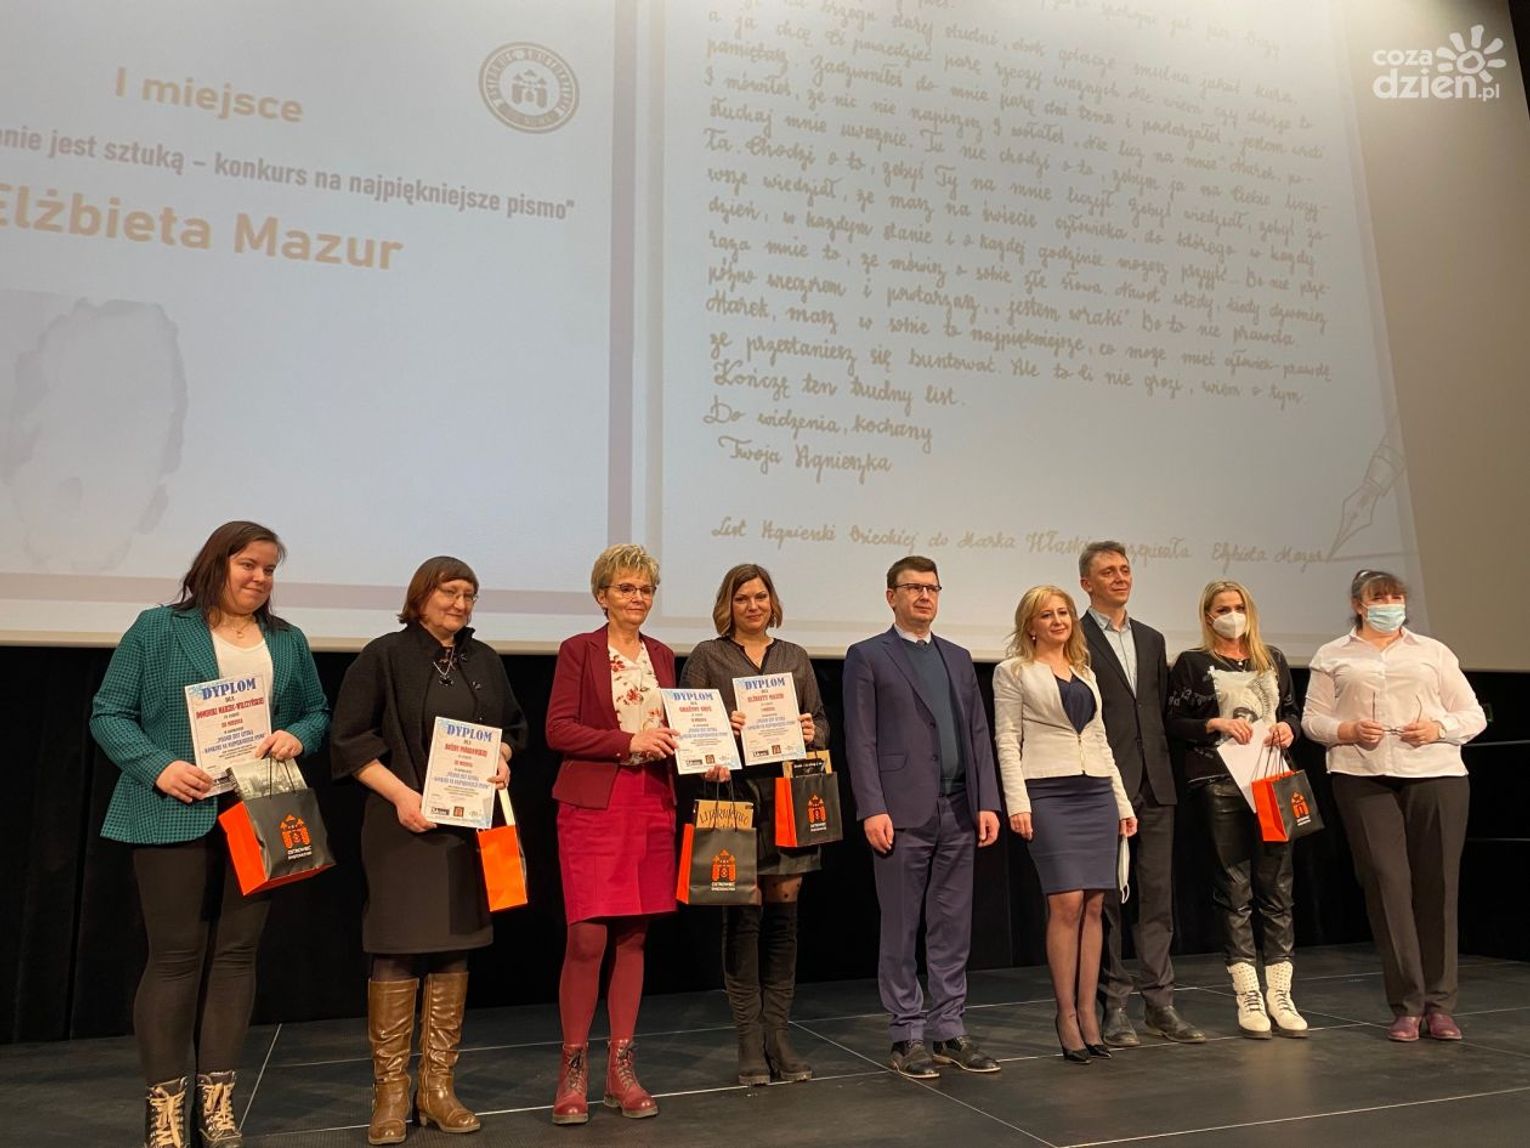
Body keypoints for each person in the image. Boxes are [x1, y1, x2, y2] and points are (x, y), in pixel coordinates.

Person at [90, 521, 330, 1148]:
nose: (260, 577)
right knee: (174, 959)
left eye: (269, 569)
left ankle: (217, 1107)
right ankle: (166, 1113)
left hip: (258, 810)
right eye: (248, 564)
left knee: (236, 957)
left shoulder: (287, 639)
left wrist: (298, 735)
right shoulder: (158, 629)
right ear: (215, 564)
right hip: (175, 806)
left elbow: (316, 711)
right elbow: (109, 713)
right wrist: (158, 766)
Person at [330, 556, 527, 1144]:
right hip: (400, 823)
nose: (460, 604)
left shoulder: (483, 660)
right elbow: (349, 740)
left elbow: (512, 729)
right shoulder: (384, 656)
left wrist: (502, 758)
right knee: (397, 947)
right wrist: (401, 795)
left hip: (465, 827)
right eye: (449, 592)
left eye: (469, 594)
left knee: (452, 947)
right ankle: (390, 1094)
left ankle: (437, 1089)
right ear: (421, 596)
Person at [1302, 569, 1485, 1042]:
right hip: (1363, 775)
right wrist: (1346, 730)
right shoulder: (1333, 655)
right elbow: (1313, 721)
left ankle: (1440, 1005)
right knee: (1388, 885)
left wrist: (1438, 728)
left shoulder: (1433, 652)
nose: (1389, 604)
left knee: (1437, 886)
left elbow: (1473, 715)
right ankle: (1407, 1005)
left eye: (1396, 596)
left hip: (1436, 773)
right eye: (1379, 597)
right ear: (1358, 604)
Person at [843, 556, 1003, 1079]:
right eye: (913, 587)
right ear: (891, 596)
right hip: (902, 811)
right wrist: (872, 807)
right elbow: (860, 739)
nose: (924, 596)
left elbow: (977, 733)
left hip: (958, 808)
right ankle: (906, 1034)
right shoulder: (868, 655)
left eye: (932, 587)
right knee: (901, 924)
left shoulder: (957, 656)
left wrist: (987, 801)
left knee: (952, 925)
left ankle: (948, 1029)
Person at [680, 563, 830, 1085]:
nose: (753, 606)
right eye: (742, 598)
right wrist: (722, 730)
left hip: (786, 798)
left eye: (760, 596)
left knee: (784, 919)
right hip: (734, 797)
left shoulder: (794, 656)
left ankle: (778, 1036)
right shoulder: (707, 656)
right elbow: (689, 729)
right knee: (743, 917)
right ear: (728, 604)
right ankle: (748, 1038)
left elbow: (822, 722)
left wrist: (811, 731)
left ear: (772, 602)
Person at [546, 544, 679, 1123]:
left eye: (645, 589)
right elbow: (558, 730)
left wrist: (711, 747)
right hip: (594, 804)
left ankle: (620, 1070)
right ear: (602, 595)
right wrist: (628, 742)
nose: (637, 598)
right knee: (587, 939)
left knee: (634, 938)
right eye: (626, 588)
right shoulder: (578, 650)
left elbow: (676, 726)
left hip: (651, 802)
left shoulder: (664, 655)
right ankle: (571, 1071)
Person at [993, 586, 1137, 1064]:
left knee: (1095, 904)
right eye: (1047, 615)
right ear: (1030, 625)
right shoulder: (1013, 671)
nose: (1058, 620)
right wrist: (1018, 802)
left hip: (1095, 791)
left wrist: (1121, 803)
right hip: (1047, 792)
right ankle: (1066, 1015)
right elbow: (1006, 739)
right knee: (1067, 903)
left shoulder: (1086, 672)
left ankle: (1089, 1012)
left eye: (1064, 613)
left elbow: (1101, 740)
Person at [1077, 540, 1204, 1046]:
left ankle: (1160, 1003)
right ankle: (1114, 1005)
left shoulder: (1152, 639)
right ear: (1087, 583)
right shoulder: (1076, 636)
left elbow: (1157, 712)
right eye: (1108, 571)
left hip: (1155, 782)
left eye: (1125, 569)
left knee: (1156, 897)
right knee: (1107, 899)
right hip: (1103, 783)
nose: (1120, 578)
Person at [1166, 580, 1305, 1038]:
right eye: (1222, 608)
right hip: (1220, 782)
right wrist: (1213, 722)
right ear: (1208, 616)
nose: (1232, 614)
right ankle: (1247, 994)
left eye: (1238, 606)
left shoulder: (1272, 659)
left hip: (1272, 780)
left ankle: (1280, 993)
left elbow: (1291, 710)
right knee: (1234, 886)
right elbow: (1175, 721)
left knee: (1277, 886)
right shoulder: (1193, 663)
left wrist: (1289, 728)